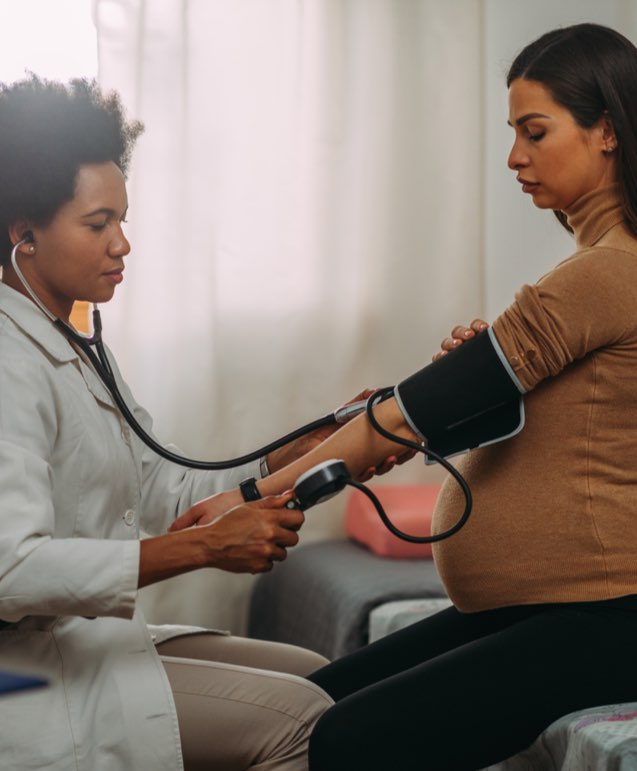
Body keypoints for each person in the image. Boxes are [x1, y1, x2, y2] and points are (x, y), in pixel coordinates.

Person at [171, 22, 637, 769]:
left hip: (603, 615)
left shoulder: (603, 274)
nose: (513, 156)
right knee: (314, 701)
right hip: (545, 604)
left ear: (606, 130)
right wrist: (480, 389)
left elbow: (400, 420)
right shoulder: (596, 270)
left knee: (342, 739)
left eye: (533, 131)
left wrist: (254, 493)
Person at [0, 74, 409, 771]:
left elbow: (162, 485)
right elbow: (13, 568)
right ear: (24, 235)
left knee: (319, 674)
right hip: (33, 674)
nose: (123, 244)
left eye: (123, 220)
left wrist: (298, 454)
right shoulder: (9, 359)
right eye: (99, 225)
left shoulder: (67, 338)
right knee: (310, 723)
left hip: (85, 642)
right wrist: (205, 549)